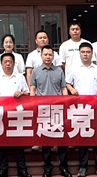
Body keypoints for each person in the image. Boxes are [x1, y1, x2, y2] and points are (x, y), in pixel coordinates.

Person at [66, 42, 97, 177]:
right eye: (83, 52)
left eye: (88, 52)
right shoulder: (74, 68)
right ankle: (83, 167)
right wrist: (72, 89)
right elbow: (68, 83)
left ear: (92, 54)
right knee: (82, 139)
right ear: (79, 53)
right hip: (80, 108)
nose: (85, 54)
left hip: (95, 108)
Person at [0, 53, 31, 177]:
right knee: (2, 144)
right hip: (1, 115)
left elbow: (28, 93)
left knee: (18, 143)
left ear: (14, 63)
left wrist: (21, 94)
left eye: (10, 62)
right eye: (5, 62)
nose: (8, 64)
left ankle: (22, 170)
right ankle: (3, 170)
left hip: (17, 114)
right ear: (1, 64)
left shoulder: (20, 77)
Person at [30, 46, 70, 177]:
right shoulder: (36, 71)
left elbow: (64, 89)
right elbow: (33, 89)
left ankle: (63, 167)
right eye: (45, 54)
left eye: (50, 55)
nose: (48, 57)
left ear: (53, 56)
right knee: (45, 141)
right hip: (43, 110)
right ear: (41, 56)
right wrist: (33, 105)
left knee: (61, 140)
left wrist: (65, 104)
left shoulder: (59, 71)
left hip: (58, 109)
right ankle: (47, 168)